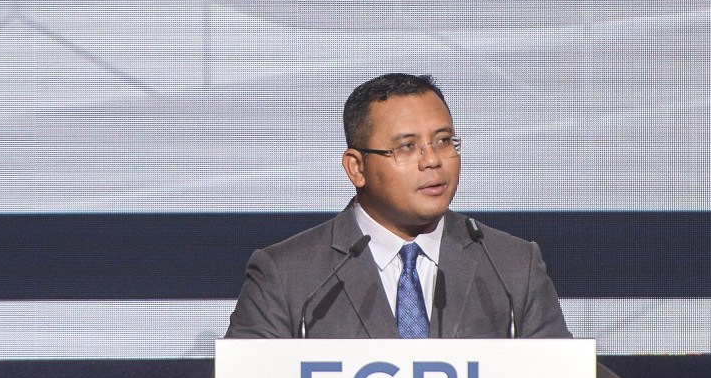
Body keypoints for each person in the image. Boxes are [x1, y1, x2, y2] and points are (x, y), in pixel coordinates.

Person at [223, 72, 570, 341]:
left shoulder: (511, 266)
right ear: (357, 167)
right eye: (406, 147)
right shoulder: (288, 276)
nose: (433, 160)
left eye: (444, 141)